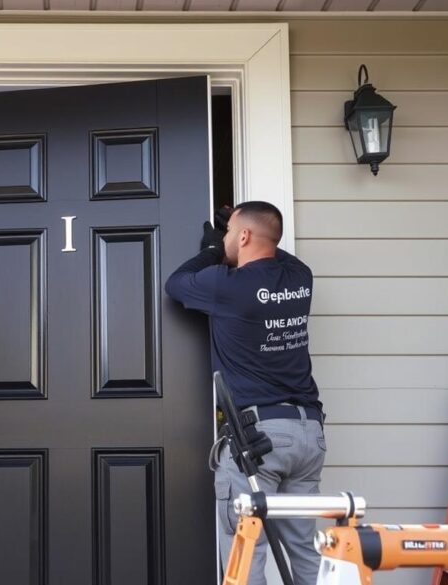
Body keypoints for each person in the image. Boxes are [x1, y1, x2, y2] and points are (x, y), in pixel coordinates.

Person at [165, 201, 325, 585]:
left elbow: (175, 283)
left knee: (246, 548)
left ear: (244, 235)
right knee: (304, 550)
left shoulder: (226, 285)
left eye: (232, 230)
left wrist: (213, 249)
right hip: (308, 435)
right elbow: (273, 246)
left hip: (260, 439)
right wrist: (241, 230)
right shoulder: (300, 277)